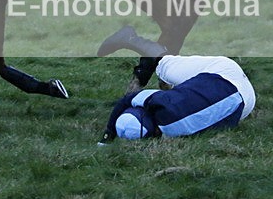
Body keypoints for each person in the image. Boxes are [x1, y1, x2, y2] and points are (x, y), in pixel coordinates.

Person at [97, 26, 256, 142]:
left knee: (168, 70)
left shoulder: (175, 136)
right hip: (224, 73)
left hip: (246, 105)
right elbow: (127, 100)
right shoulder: (160, 104)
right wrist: (107, 136)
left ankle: (133, 43)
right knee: (164, 64)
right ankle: (130, 39)